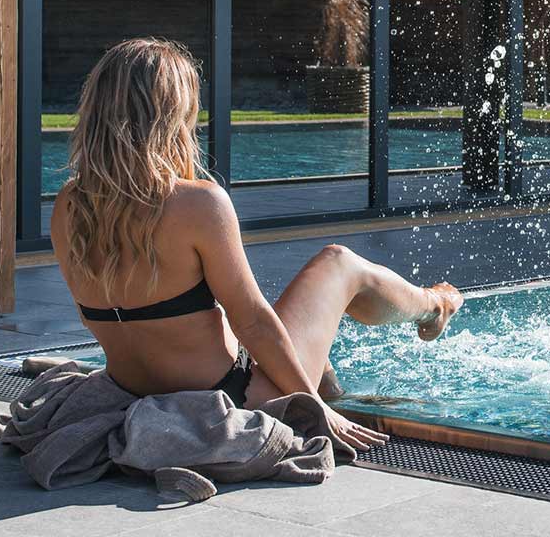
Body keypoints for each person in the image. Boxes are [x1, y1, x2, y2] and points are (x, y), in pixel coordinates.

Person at [50, 37, 462, 453]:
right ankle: (434, 306)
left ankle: (335, 388)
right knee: (339, 264)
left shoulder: (70, 205)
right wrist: (315, 409)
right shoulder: (197, 203)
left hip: (134, 387)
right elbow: (254, 322)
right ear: (171, 115)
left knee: (270, 325)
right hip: (230, 395)